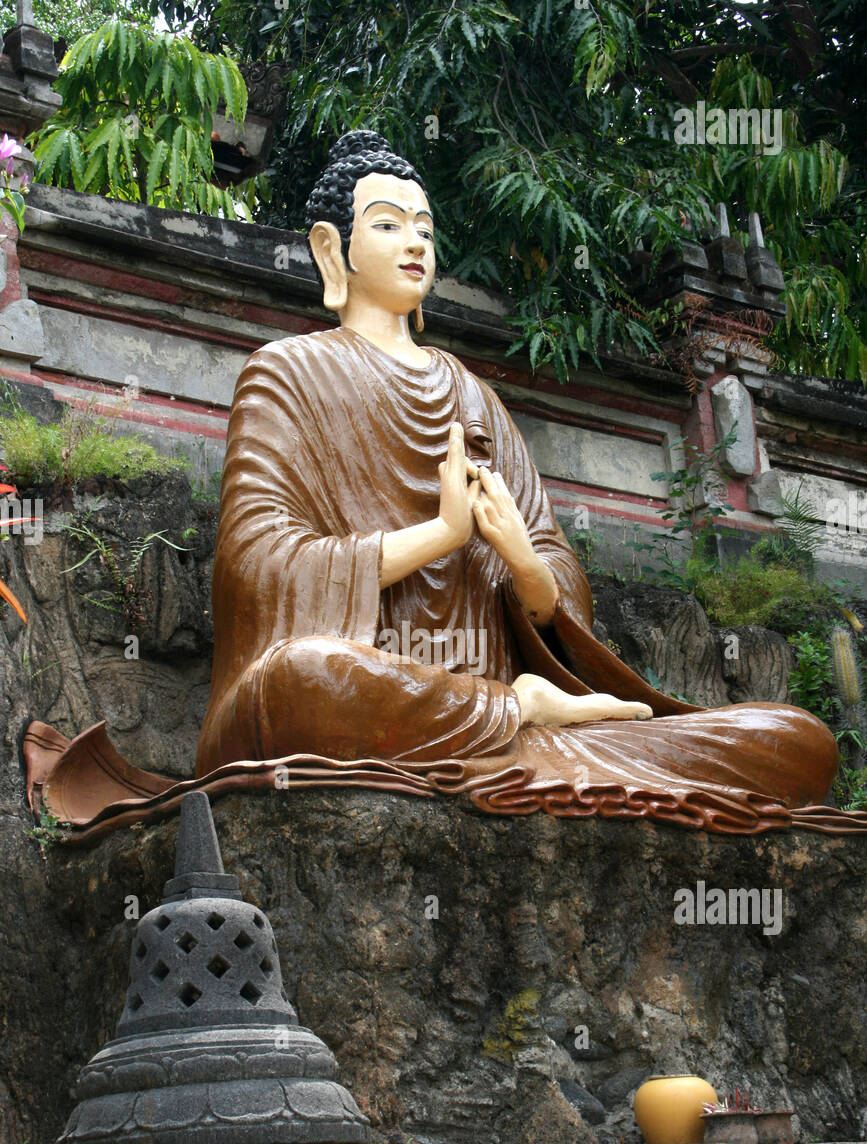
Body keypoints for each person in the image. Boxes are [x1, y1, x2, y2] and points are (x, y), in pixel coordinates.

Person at [192, 129, 840, 833]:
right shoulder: (285, 373)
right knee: (303, 679)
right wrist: (440, 535)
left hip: (503, 725)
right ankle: (517, 715)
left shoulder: (474, 398)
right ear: (329, 247)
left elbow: (556, 576)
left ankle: (519, 732)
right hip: (375, 693)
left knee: (794, 741)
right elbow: (256, 569)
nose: (414, 244)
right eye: (386, 225)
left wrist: (523, 562)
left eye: (424, 229)